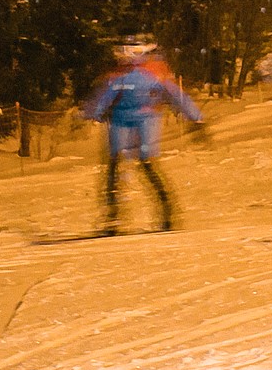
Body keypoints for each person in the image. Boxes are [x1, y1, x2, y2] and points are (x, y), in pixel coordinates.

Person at [81, 36, 206, 234]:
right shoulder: (117, 73)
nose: (121, 58)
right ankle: (113, 217)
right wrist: (92, 113)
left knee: (147, 162)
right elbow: (105, 95)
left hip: (146, 119)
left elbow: (176, 94)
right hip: (120, 120)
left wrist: (196, 117)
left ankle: (167, 213)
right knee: (114, 163)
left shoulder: (154, 71)